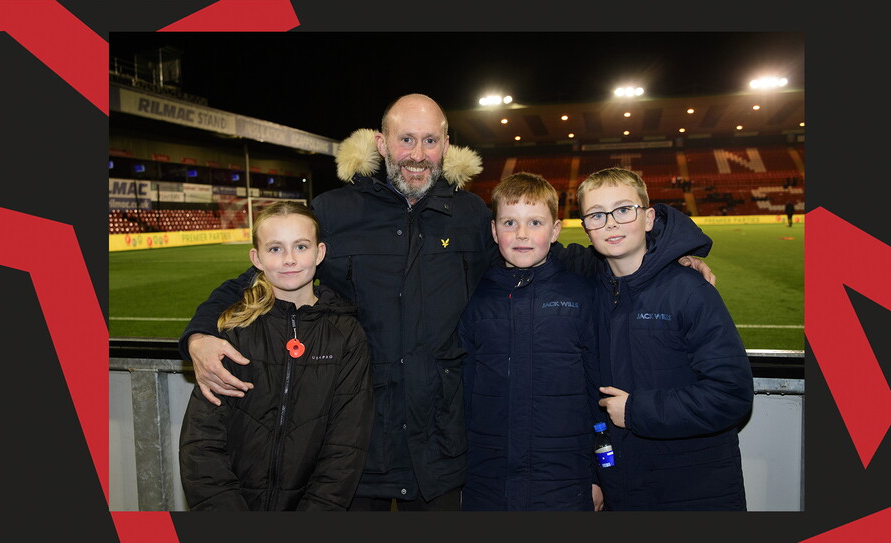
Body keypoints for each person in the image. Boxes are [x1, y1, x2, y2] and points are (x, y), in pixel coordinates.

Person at [178, 94, 717, 511]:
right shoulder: (335, 211)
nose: (418, 154)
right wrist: (199, 335)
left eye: (430, 141)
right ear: (382, 143)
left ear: (446, 145)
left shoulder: (469, 215)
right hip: (356, 448)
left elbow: (563, 257)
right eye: (406, 140)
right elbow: (260, 275)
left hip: (441, 449)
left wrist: (672, 255)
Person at [577, 167, 754, 511]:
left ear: (649, 219)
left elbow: (731, 394)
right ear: (585, 227)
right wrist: (593, 473)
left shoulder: (689, 290)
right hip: (621, 489)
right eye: (597, 215)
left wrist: (637, 410)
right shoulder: (587, 293)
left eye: (623, 210)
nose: (610, 223)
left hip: (694, 491)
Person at [178, 201, 373, 511]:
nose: (289, 259)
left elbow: (346, 445)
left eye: (301, 246)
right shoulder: (234, 332)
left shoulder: (346, 335)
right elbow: (202, 443)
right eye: (275, 249)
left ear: (320, 253)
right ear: (256, 258)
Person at [458, 172, 600, 511]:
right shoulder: (472, 297)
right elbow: (461, 393)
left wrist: (598, 474)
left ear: (555, 230)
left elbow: (599, 392)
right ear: (494, 231)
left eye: (535, 222)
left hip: (565, 482)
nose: (521, 234)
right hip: (486, 482)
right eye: (510, 222)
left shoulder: (583, 295)